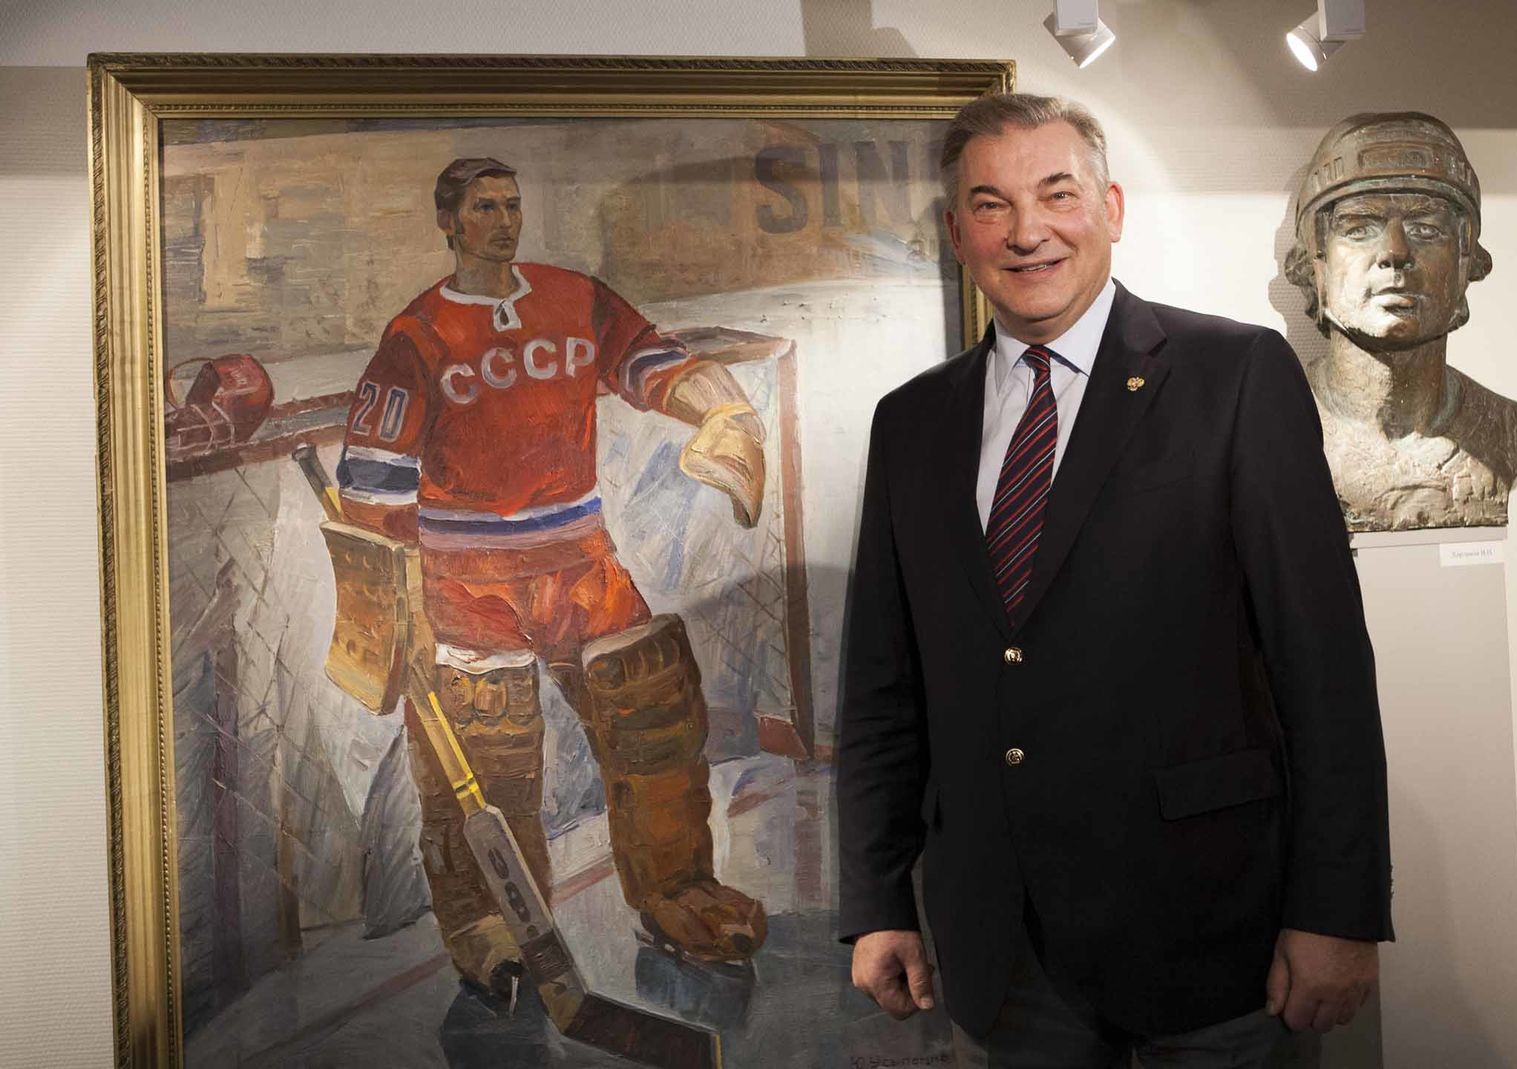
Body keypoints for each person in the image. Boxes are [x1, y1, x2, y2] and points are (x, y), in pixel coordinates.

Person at [837, 95, 1393, 1066]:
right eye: (991, 204)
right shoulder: (911, 422)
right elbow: (883, 688)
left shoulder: (1235, 375)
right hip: (1007, 957)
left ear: (1111, 208)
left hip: (1213, 942)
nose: (1028, 231)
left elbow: (1325, 667)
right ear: (957, 232)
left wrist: (1337, 909)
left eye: (1057, 194)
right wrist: (877, 900)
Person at [337, 156, 769, 998]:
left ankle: (680, 892)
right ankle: (493, 928)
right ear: (449, 223)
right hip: (467, 584)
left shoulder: (574, 298)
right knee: (486, 765)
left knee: (654, 717)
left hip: (580, 564)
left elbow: (655, 363)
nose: (503, 220)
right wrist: (394, 613)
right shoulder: (417, 334)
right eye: (483, 207)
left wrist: (723, 411)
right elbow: (372, 484)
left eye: (511, 204)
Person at [1284, 112, 1517, 531]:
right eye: (1359, 228)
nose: (1395, 252)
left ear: (1465, 259)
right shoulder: (1275, 429)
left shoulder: (1516, 430)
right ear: (1314, 261)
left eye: (1426, 229)